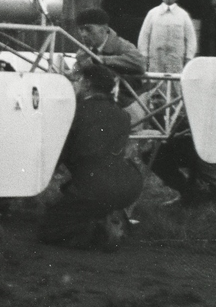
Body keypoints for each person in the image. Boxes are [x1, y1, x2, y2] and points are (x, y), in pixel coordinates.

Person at [37, 62, 145, 251]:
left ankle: (101, 232)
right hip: (130, 183)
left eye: (77, 80)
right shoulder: (122, 115)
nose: (75, 85)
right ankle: (110, 216)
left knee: (48, 230)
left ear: (86, 84)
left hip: (95, 186)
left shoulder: (74, 113)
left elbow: (60, 154)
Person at [136, 0, 197, 74]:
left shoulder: (183, 15)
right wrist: (143, 56)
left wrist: (189, 57)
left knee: (174, 85)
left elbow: (191, 38)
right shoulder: (153, 13)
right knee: (155, 83)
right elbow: (144, 36)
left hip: (175, 60)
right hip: (156, 58)